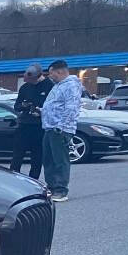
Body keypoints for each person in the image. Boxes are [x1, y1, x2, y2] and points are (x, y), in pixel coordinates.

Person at [40, 60, 82, 202]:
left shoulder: (71, 85)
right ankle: (51, 187)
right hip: (50, 127)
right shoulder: (58, 86)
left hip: (60, 129)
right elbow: (55, 105)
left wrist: (61, 126)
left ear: (59, 72)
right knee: (48, 159)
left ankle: (61, 190)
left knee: (60, 160)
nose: (50, 77)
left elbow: (72, 107)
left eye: (52, 74)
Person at [10, 64, 52, 177]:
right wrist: (24, 106)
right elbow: (16, 106)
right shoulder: (25, 87)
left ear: (39, 76)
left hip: (39, 126)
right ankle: (14, 178)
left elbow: (53, 106)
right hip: (24, 125)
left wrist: (40, 111)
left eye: (32, 81)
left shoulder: (49, 86)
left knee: (37, 157)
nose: (30, 83)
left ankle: (34, 180)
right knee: (17, 155)